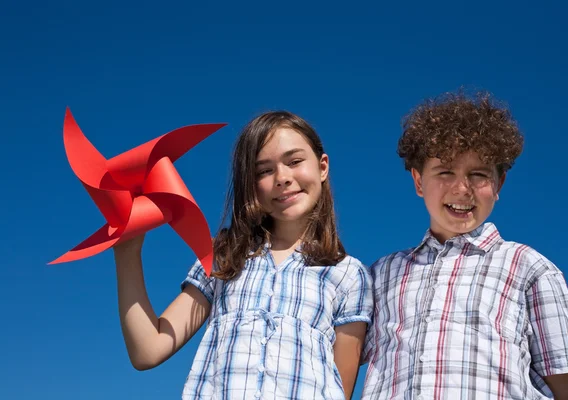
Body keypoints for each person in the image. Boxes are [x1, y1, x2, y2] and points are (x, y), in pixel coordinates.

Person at [113, 110, 373, 399]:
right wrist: (127, 251)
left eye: (295, 161)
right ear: (250, 184)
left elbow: (340, 386)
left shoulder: (348, 273)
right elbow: (148, 350)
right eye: (263, 170)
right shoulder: (223, 256)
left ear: (322, 167)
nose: (282, 178)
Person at [361, 90, 568, 399]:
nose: (461, 189)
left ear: (499, 184)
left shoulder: (529, 267)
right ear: (418, 181)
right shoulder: (381, 274)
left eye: (478, 175)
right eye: (445, 172)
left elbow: (561, 386)